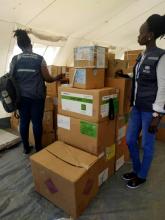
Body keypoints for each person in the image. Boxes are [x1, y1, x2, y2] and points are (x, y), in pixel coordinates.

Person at [122, 14, 165, 189]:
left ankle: (142, 175)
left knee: (147, 145)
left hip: (150, 110)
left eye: (141, 33)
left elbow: (163, 87)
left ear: (150, 35)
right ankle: (136, 169)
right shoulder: (142, 54)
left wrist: (157, 115)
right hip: (137, 107)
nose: (138, 36)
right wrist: (127, 75)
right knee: (130, 140)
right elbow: (141, 76)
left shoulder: (161, 57)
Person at [10, 29, 63, 154]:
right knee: (37, 122)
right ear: (30, 44)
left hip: (21, 97)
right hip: (37, 97)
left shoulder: (15, 59)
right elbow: (47, 78)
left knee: (23, 122)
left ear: (19, 46)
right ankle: (38, 147)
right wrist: (56, 78)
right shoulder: (39, 59)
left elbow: (11, 78)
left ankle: (26, 148)